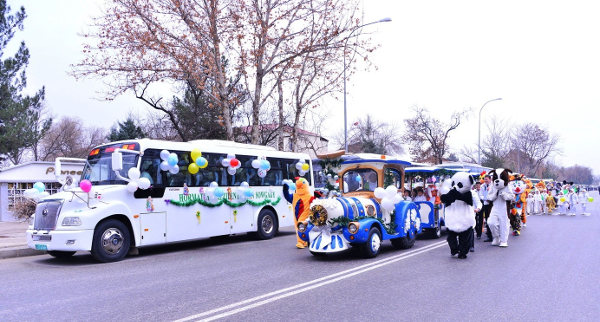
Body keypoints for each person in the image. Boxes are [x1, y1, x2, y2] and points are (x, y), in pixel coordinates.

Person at [478, 175, 494, 242]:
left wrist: (490, 199)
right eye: (485, 179)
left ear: (490, 179)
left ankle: (494, 235)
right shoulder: (482, 186)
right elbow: (480, 194)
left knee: (492, 221)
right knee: (487, 220)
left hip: (492, 204)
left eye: (487, 179)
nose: (485, 181)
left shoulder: (493, 186)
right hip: (485, 204)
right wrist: (485, 199)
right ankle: (489, 236)